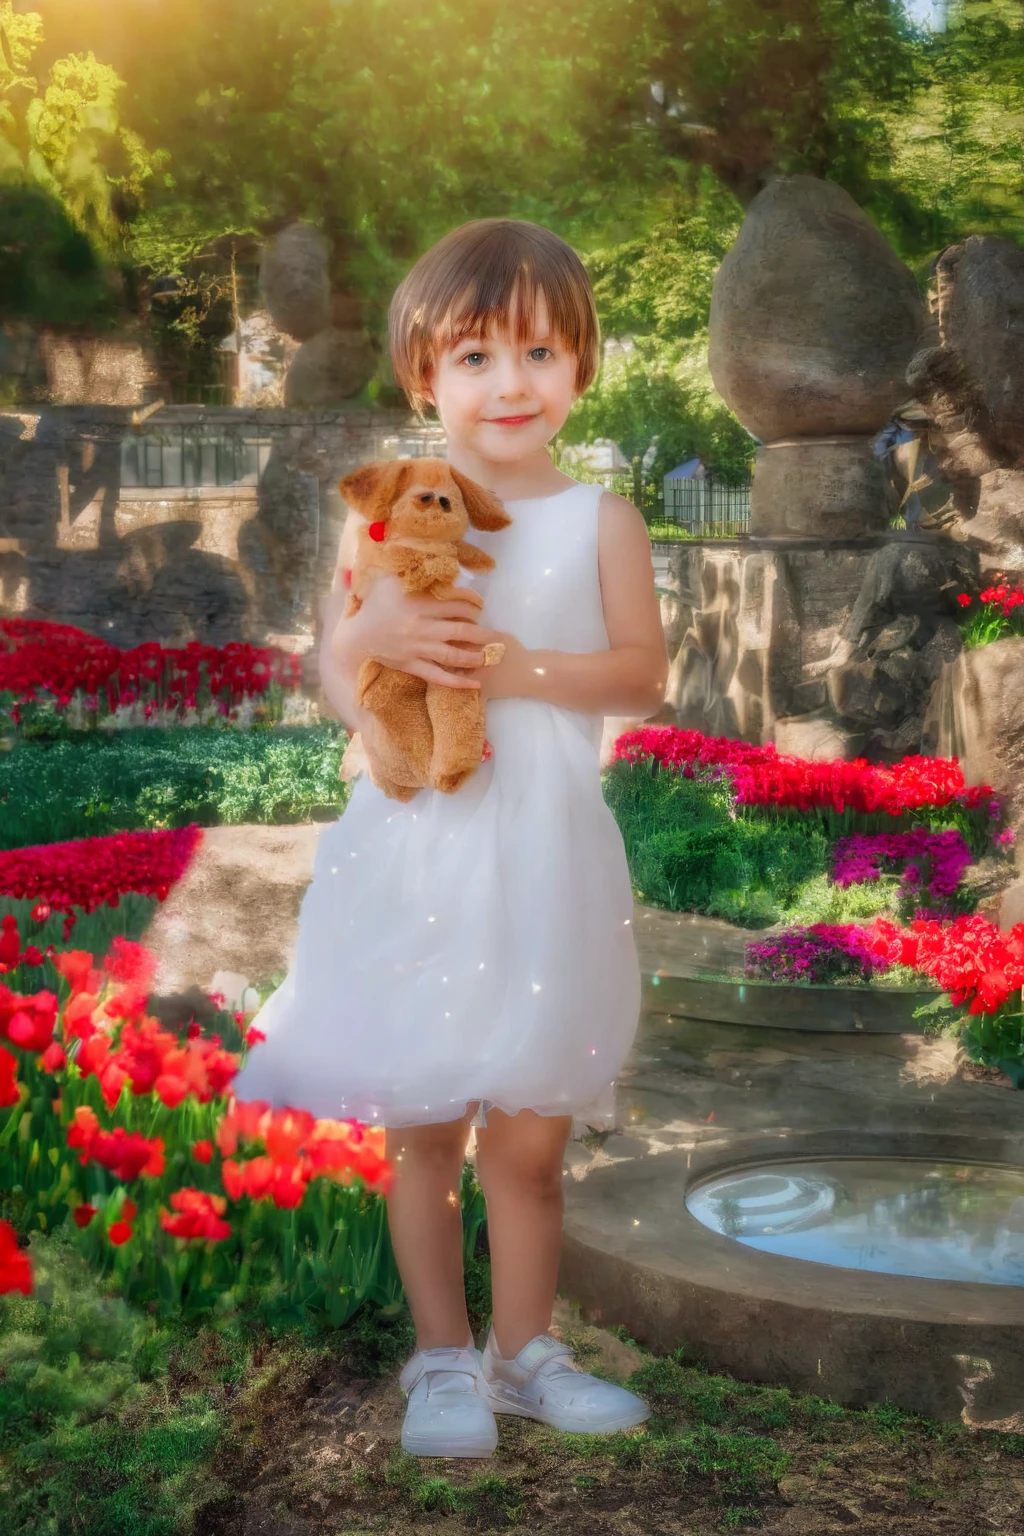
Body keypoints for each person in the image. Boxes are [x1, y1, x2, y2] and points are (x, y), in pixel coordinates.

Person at [233, 218, 668, 1458]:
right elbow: (334, 664)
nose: (510, 383)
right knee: (424, 1126)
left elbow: (639, 675)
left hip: (544, 856)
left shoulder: (601, 519)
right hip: (418, 845)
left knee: (529, 1134)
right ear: (425, 375)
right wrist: (370, 650)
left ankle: (524, 1353)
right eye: (474, 357)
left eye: (538, 351)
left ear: (581, 365)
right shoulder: (385, 516)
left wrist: (516, 665)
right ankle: (440, 1362)